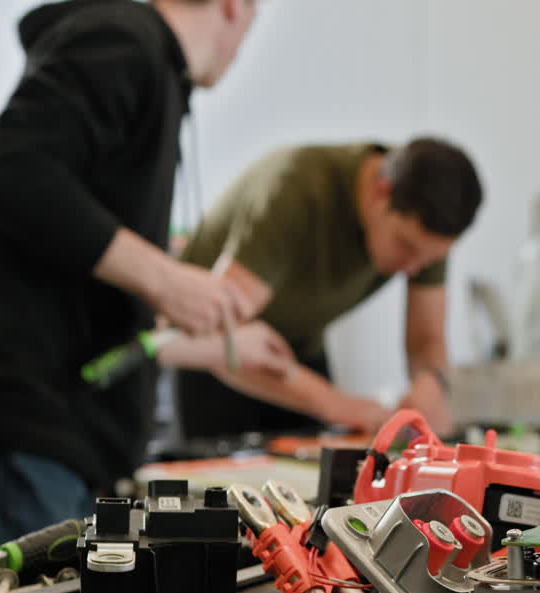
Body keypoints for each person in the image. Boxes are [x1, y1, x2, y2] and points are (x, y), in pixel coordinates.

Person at [0, 0, 272, 561]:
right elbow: (13, 171)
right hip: (16, 433)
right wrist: (166, 280)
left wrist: (169, 284)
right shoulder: (124, 42)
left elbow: (79, 240)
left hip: (53, 436)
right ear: (233, 6)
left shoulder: (147, 62)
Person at [174, 138, 483, 440]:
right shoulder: (296, 187)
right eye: (405, 246)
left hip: (300, 353)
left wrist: (431, 383)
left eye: (430, 259)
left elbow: (426, 338)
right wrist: (337, 404)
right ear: (381, 191)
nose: (414, 268)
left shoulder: (428, 225)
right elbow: (222, 331)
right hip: (215, 355)